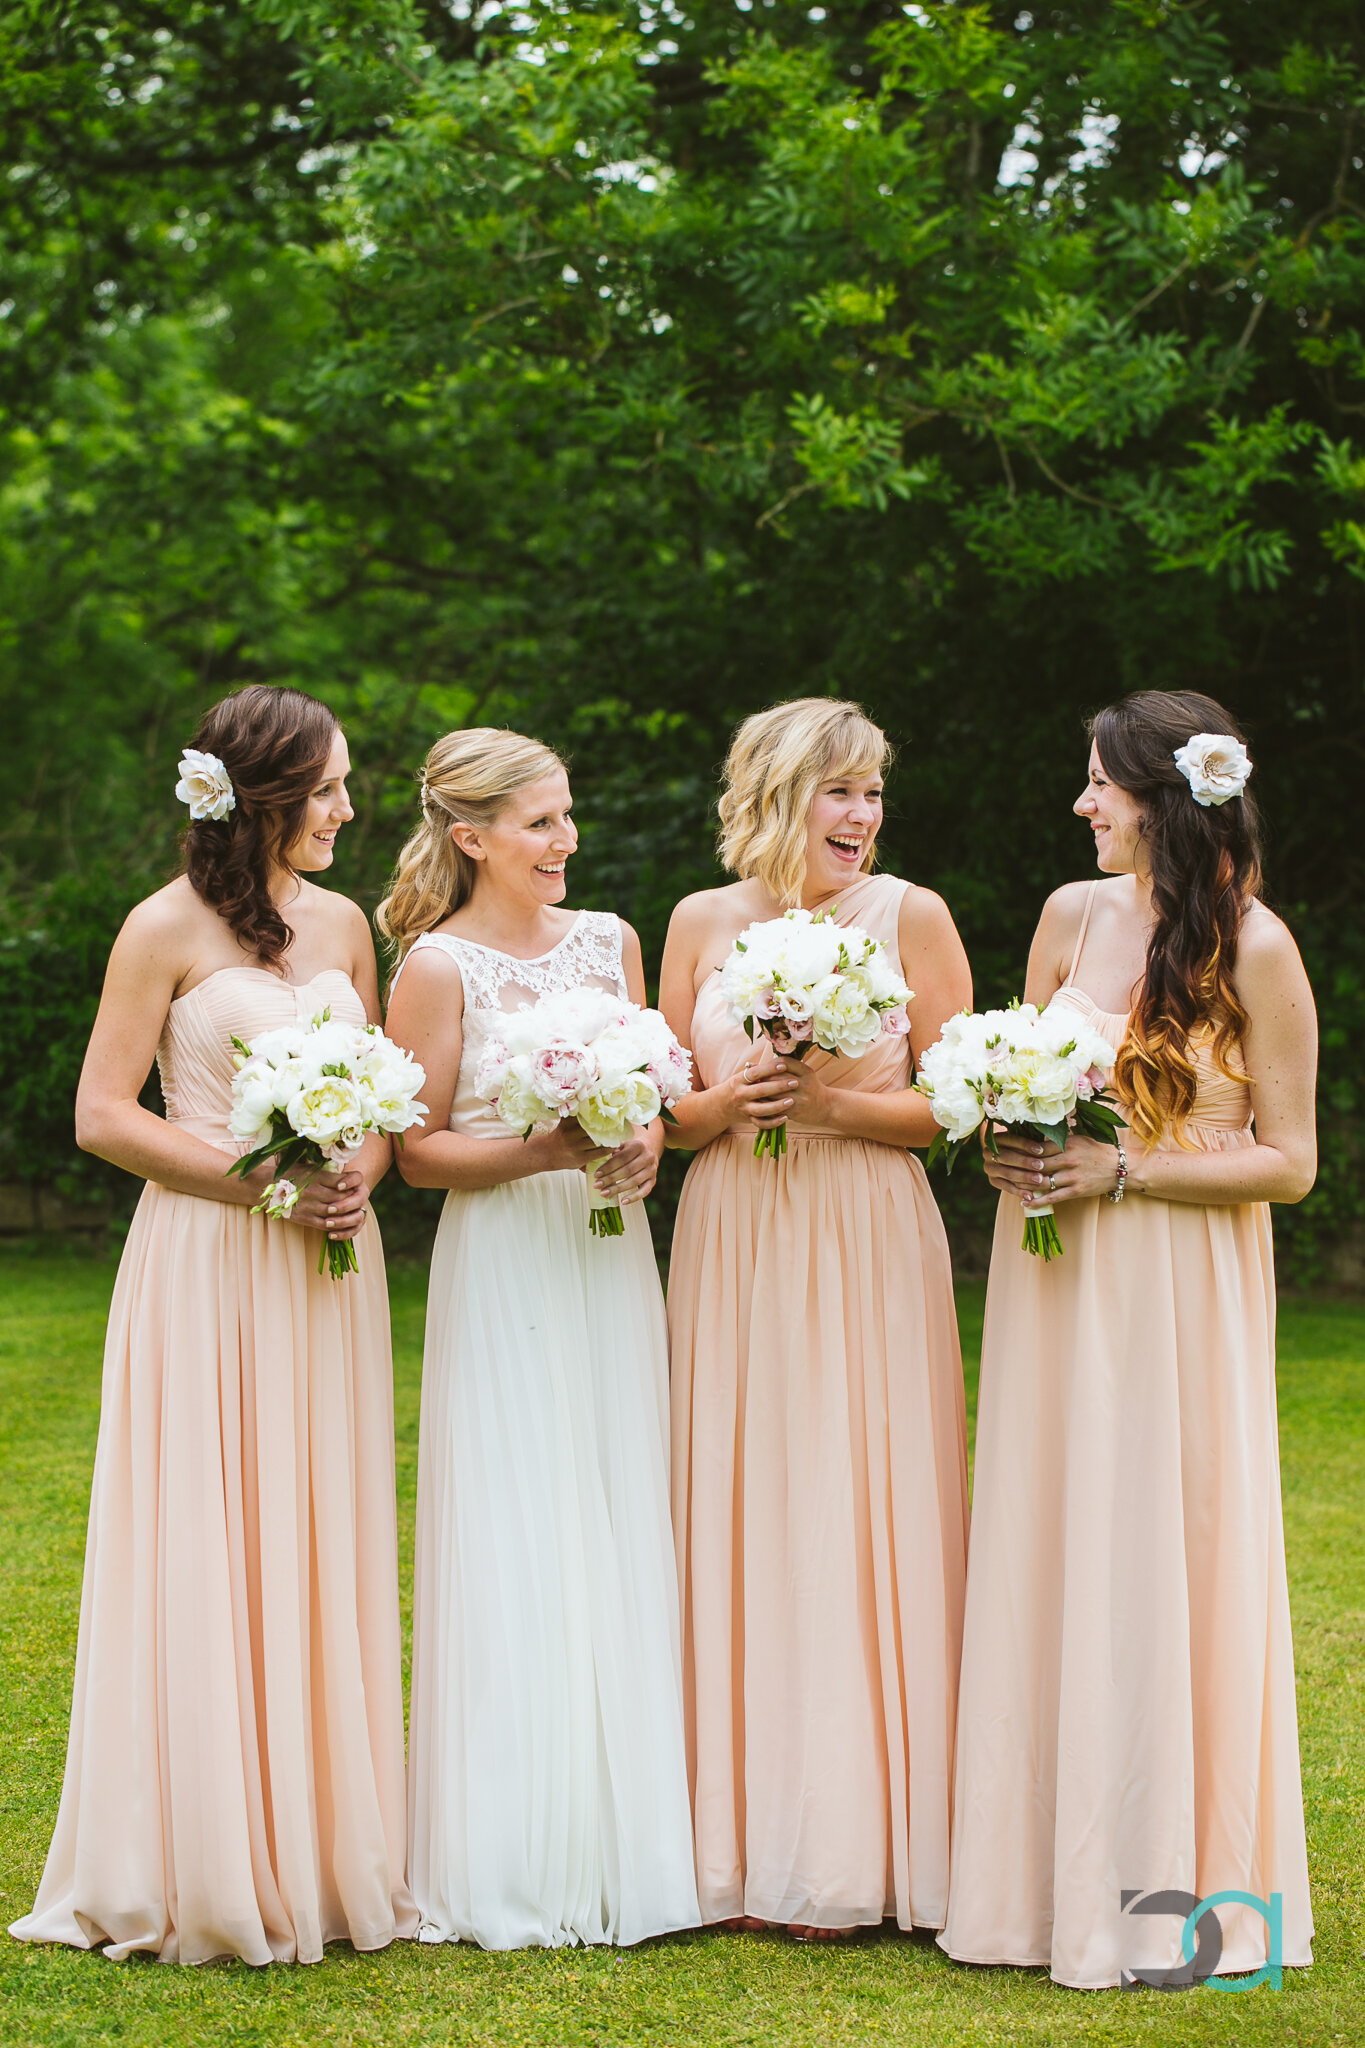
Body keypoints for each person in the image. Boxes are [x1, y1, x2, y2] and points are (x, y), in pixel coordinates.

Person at [10, 685, 415, 1966]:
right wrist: (265, 1182)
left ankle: (322, 1850)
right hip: (210, 1254)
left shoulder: (346, 922)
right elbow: (101, 1113)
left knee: (318, 1526)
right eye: (333, 788)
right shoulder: (162, 926)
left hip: (334, 1267)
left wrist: (362, 1168)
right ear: (263, 797)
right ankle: (203, 1856)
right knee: (213, 1524)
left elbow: (384, 1098)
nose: (350, 809)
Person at [941, 690, 1317, 1989]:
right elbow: (1010, 1078)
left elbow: (1291, 1164)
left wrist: (1130, 1175)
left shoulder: (1255, 949)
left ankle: (1177, 1922)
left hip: (1177, 1290)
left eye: (1100, 784)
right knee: (1054, 1548)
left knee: (1170, 1557)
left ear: (1162, 797)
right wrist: (1006, 1137)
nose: (1081, 805)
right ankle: (1034, 1899)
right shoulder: (1067, 917)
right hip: (1056, 1282)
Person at [380, 727, 699, 1951]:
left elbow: (657, 1101)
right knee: (517, 1516)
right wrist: (551, 1148)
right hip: (505, 1250)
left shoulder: (610, 940)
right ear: (472, 837)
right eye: (541, 823)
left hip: (609, 1253)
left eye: (569, 817)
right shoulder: (436, 966)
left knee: (615, 1507)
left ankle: (628, 1844)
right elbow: (416, 1152)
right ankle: (508, 1853)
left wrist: (638, 1142)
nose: (567, 841)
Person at [660, 697, 972, 1939]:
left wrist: (830, 1107)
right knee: (740, 1498)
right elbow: (665, 1109)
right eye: (842, 789)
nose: (864, 815)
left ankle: (866, 1836)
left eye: (875, 792)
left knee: (864, 1496)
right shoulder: (698, 921)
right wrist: (728, 1100)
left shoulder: (913, 915)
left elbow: (964, 1099)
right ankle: (731, 1841)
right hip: (732, 1225)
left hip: (864, 1227)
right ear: (780, 793)